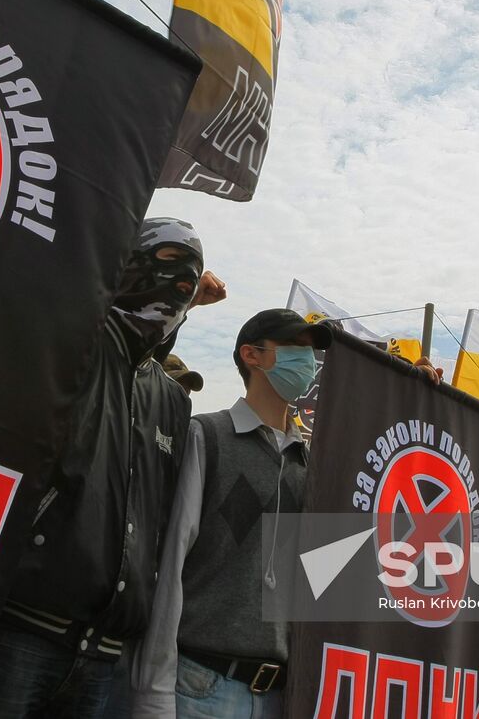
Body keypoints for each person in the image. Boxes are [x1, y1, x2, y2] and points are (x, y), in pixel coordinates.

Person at [0, 218, 226, 719]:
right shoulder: (72, 347)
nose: (176, 289)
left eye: (188, 283)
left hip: (102, 657)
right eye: (164, 265)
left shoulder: (169, 399)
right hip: (14, 635)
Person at [129, 308, 332, 718]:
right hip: (201, 686)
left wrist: (415, 395)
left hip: (281, 695)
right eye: (295, 348)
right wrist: (153, 694)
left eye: (312, 353)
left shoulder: (310, 466)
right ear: (251, 355)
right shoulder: (208, 435)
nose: (307, 363)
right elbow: (170, 565)